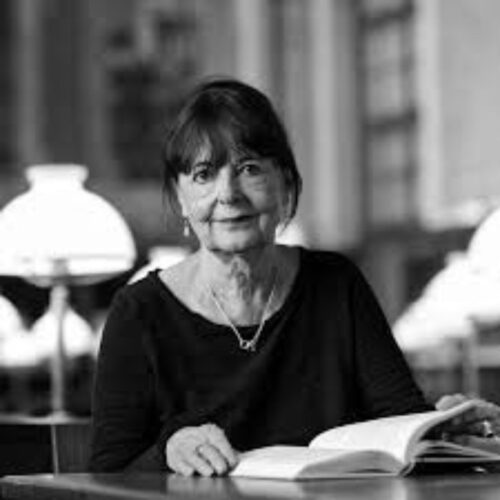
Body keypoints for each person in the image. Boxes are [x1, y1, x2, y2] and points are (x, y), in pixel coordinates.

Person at [90, 78, 500, 476]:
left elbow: (397, 418)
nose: (228, 193)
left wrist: (437, 429)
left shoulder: (336, 283)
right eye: (203, 174)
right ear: (181, 198)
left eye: (249, 168)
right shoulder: (139, 312)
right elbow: (106, 474)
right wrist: (169, 450)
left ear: (285, 185)